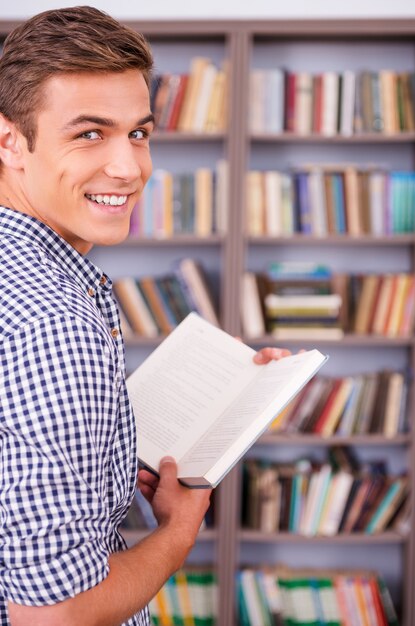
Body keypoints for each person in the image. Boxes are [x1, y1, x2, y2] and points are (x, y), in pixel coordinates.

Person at [0, 7, 289, 626]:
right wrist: (178, 532)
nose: (130, 169)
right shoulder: (55, 323)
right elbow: (55, 617)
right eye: (89, 133)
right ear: (10, 142)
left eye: (138, 132)